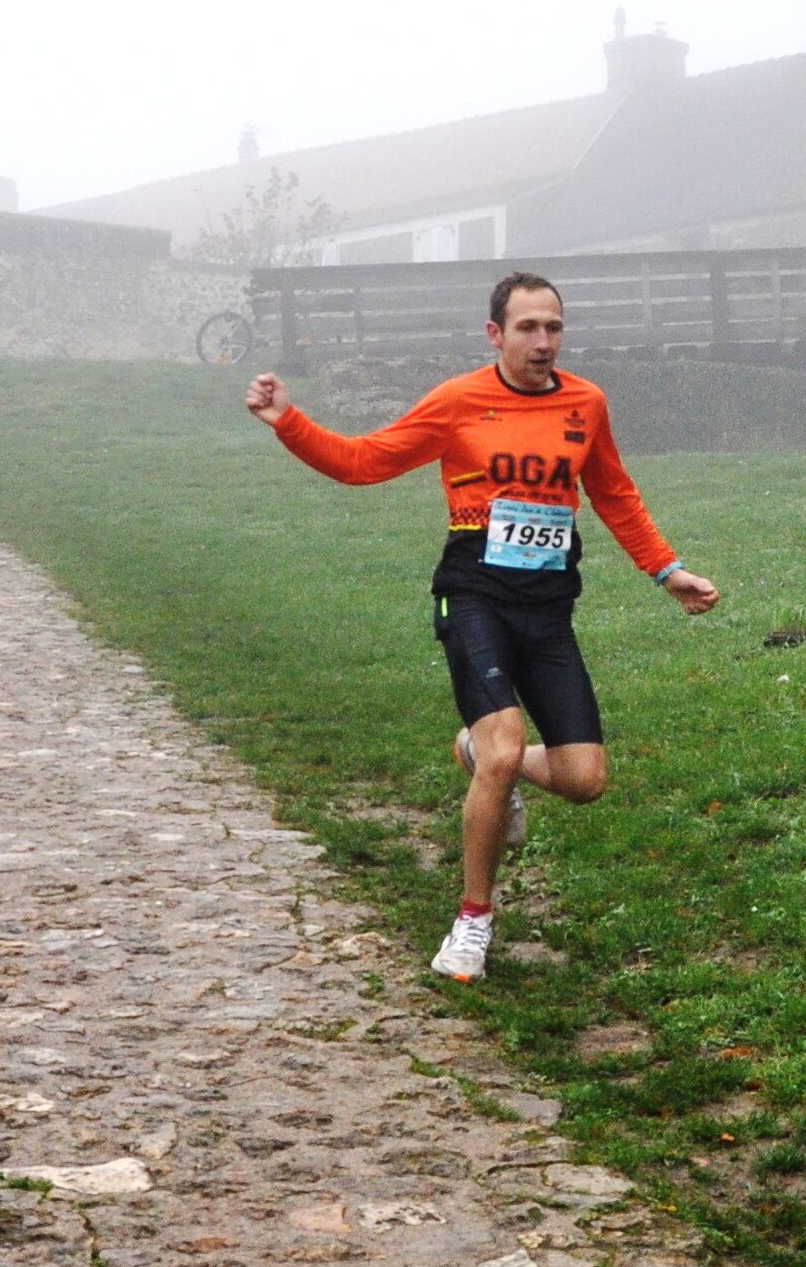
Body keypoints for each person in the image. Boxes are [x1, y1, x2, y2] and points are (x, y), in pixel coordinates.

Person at [244, 272, 720, 983]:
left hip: (548, 608)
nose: (543, 341)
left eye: (553, 327)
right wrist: (289, 420)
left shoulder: (586, 403)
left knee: (585, 779)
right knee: (505, 747)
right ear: (495, 334)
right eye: (527, 327)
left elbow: (613, 493)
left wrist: (666, 570)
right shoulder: (459, 400)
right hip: (473, 595)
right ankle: (473, 919)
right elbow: (362, 462)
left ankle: (476, 751)